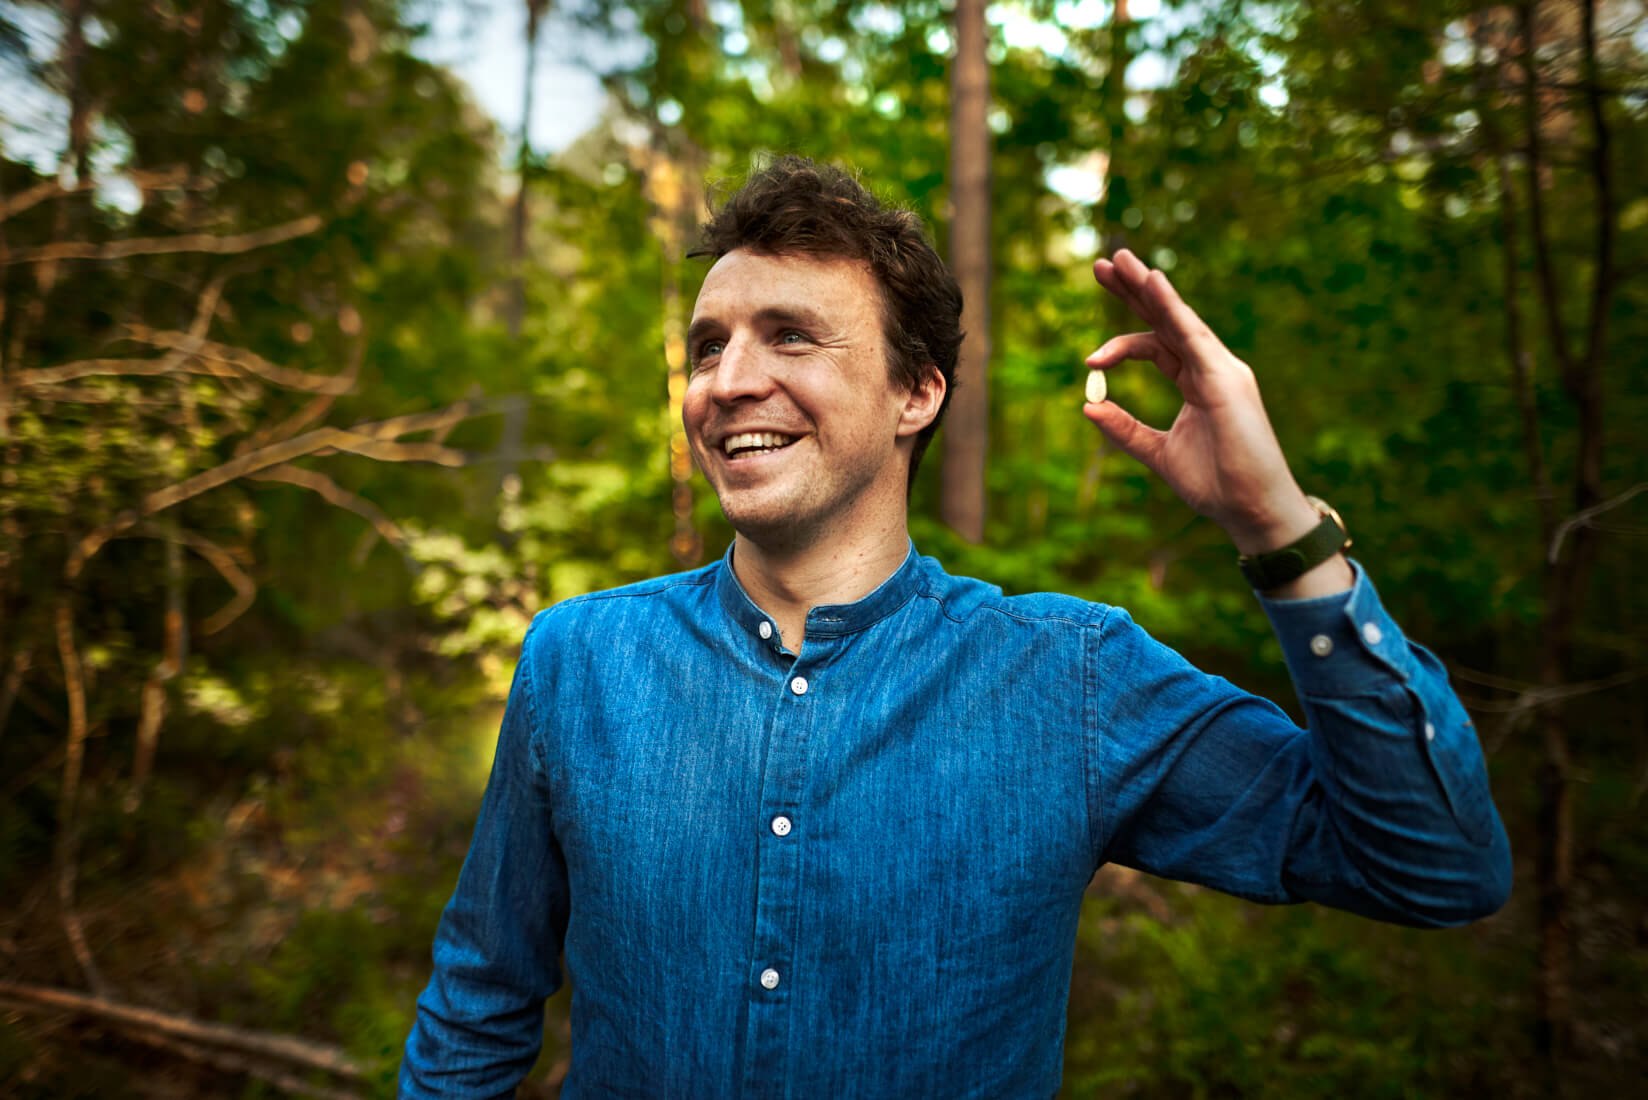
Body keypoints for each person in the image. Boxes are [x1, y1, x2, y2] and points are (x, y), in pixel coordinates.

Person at [399, 156, 1510, 1098]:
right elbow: (480, 1002)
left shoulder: (1071, 678)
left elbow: (1435, 866)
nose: (726, 382)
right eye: (707, 345)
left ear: (915, 393)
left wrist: (1279, 528)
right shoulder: (580, 660)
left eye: (790, 337)